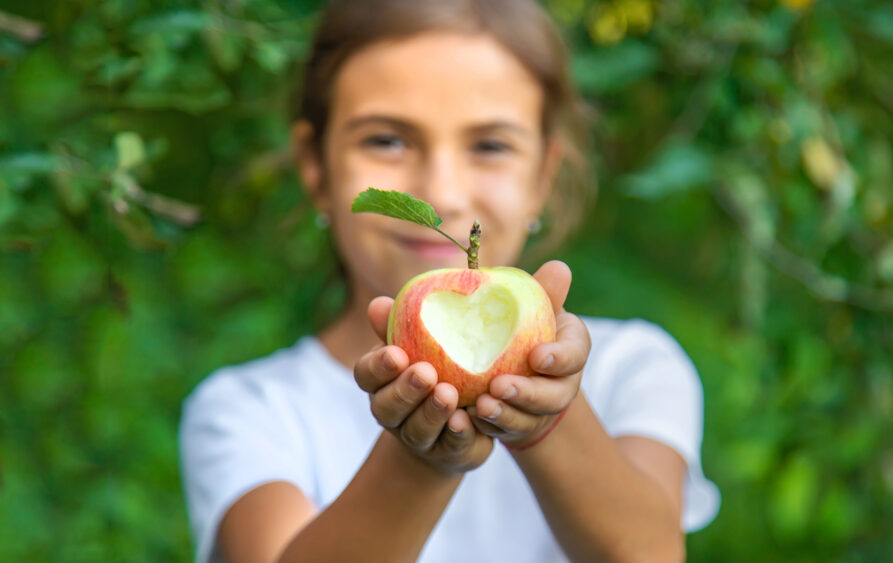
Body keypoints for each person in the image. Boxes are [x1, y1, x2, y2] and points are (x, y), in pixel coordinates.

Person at [179, 1, 719, 561]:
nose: (441, 192)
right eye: (387, 140)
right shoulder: (253, 410)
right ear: (316, 169)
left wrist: (545, 421)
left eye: (489, 146)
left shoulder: (631, 369)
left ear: (543, 178)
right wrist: (422, 459)